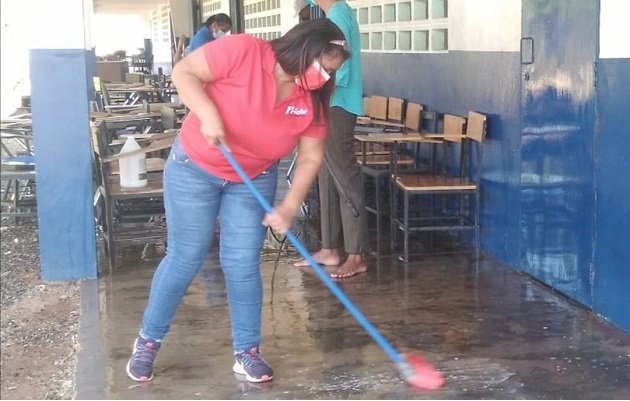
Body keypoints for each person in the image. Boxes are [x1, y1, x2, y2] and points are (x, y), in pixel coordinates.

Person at [125, 18, 350, 384]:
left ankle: (247, 351)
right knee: (186, 256)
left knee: (243, 263)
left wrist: (290, 205)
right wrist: (208, 113)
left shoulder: (310, 101)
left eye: (330, 72)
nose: (324, 77)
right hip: (195, 168)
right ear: (305, 48)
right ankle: (148, 341)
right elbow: (185, 73)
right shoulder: (244, 50)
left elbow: (310, 157)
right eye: (323, 66)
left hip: (253, 179)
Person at [293, 0, 368, 279]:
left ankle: (356, 254)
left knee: (345, 177)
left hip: (338, 106)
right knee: (325, 176)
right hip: (329, 105)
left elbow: (341, 67)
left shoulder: (338, 13)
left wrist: (309, 85)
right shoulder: (335, 13)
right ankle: (330, 248)